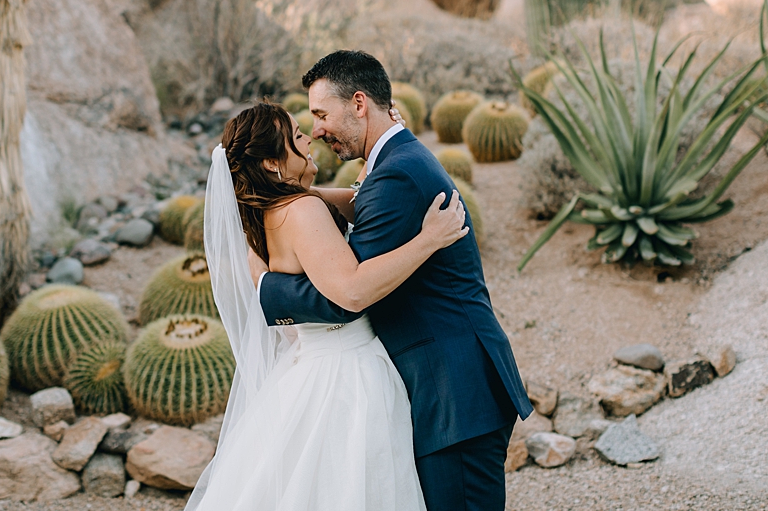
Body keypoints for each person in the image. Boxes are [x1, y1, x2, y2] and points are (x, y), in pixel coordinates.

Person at [260, 50, 535, 511]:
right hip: (451, 387)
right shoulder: (395, 159)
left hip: (453, 394)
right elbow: (361, 201)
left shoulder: (397, 175)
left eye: (322, 115)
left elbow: (347, 295)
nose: (318, 130)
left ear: (359, 103)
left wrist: (263, 286)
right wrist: (291, 196)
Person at [189, 101, 466, 511]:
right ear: (271, 162)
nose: (308, 140)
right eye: (297, 135)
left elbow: (355, 201)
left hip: (311, 363)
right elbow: (351, 292)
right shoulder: (302, 210)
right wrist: (430, 239)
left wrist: (375, 154)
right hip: (348, 372)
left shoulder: (268, 215)